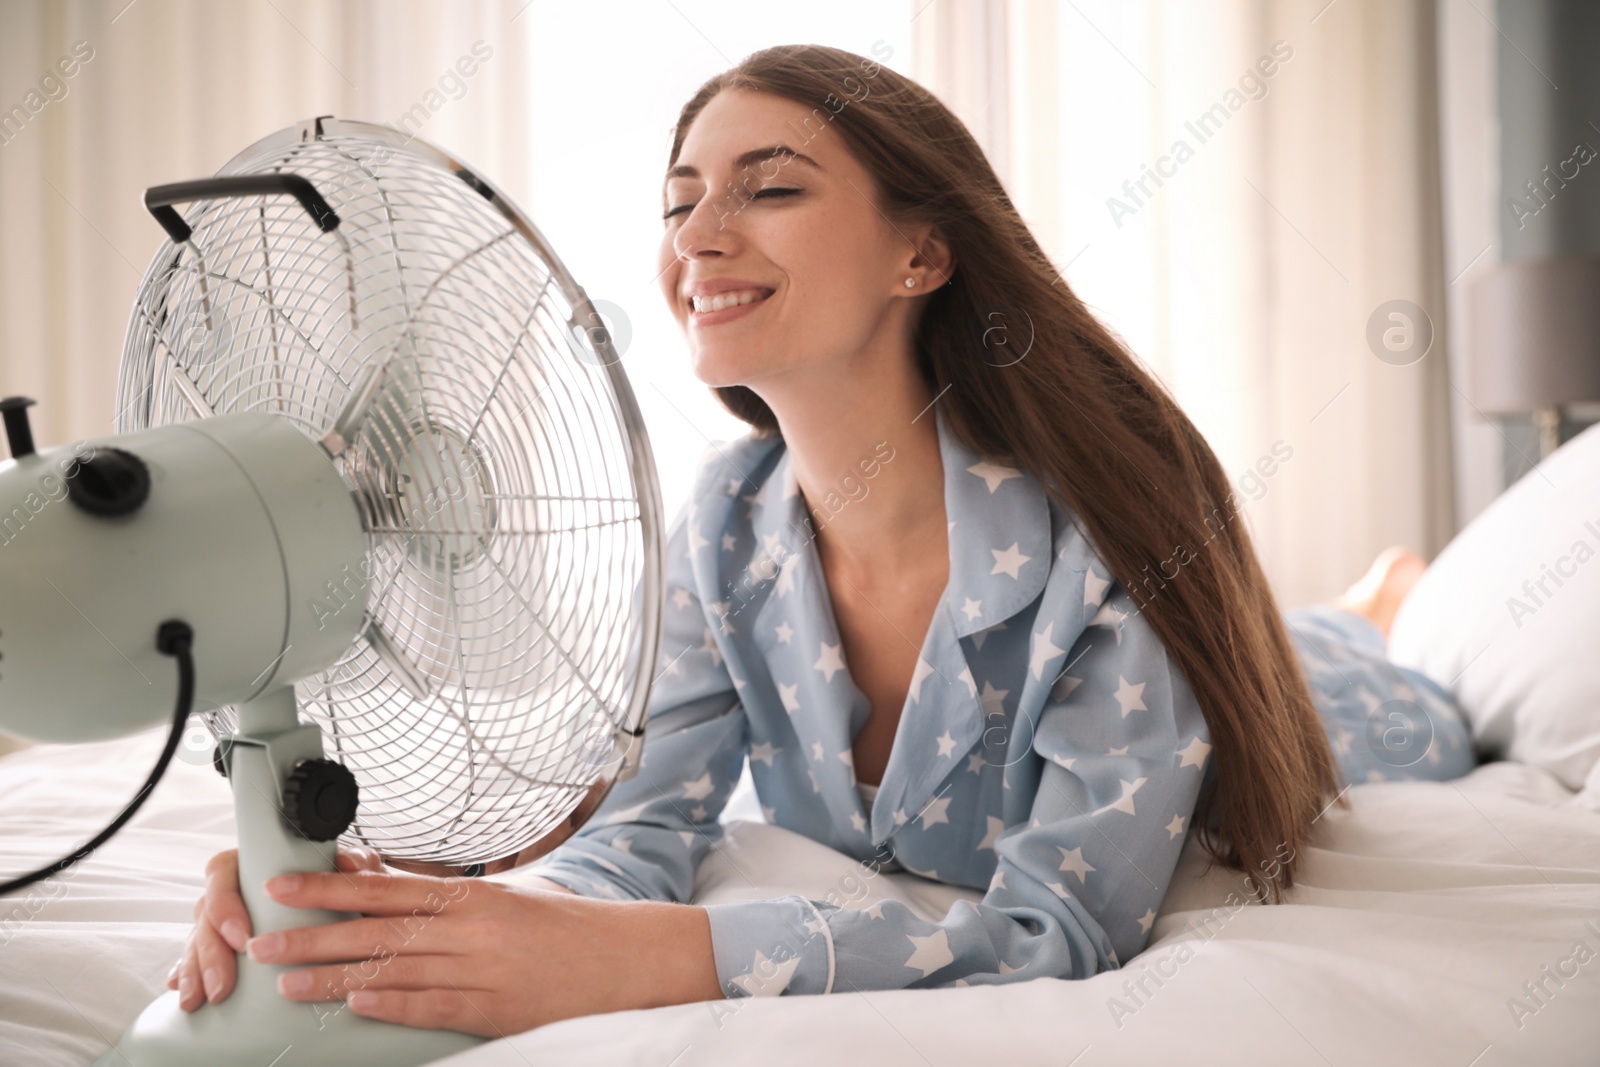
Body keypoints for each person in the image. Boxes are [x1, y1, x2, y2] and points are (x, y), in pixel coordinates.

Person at [167, 44, 1474, 1035]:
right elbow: (642, 829)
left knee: (1381, 664)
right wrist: (383, 900)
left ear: (922, 254)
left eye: (768, 189)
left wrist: (661, 961)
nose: (698, 238)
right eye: (678, 204)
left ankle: (1382, 602)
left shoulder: (1111, 548)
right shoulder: (727, 525)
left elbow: (1059, 932)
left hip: (1341, 698)